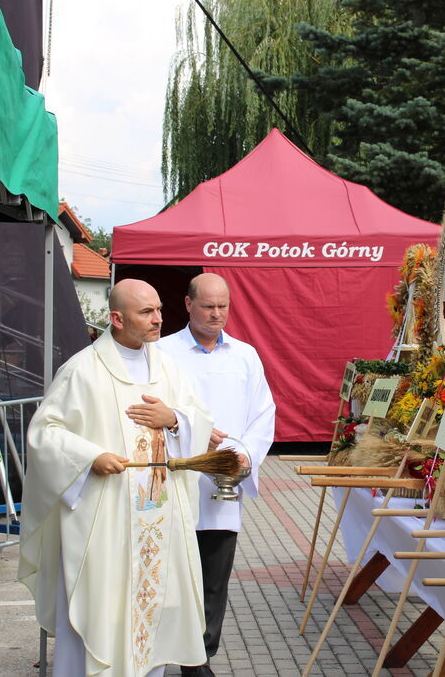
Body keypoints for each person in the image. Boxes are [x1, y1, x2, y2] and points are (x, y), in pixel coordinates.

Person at [19, 279, 215, 677]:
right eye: (146, 312)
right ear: (116, 318)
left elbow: (199, 417)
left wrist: (174, 419)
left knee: (154, 610)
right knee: (102, 607)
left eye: (159, 310)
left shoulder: (168, 368)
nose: (158, 319)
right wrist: (91, 456)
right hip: (104, 517)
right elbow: (45, 434)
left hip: (158, 516)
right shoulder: (83, 370)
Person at [158, 273, 276, 677]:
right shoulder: (162, 353)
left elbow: (263, 413)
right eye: (208, 305)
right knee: (170, 573)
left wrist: (241, 456)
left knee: (213, 578)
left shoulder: (245, 356)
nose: (216, 313)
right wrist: (188, 430)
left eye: (223, 306)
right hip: (175, 478)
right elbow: (147, 409)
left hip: (222, 486)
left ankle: (200, 659)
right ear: (188, 305)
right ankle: (159, 650)